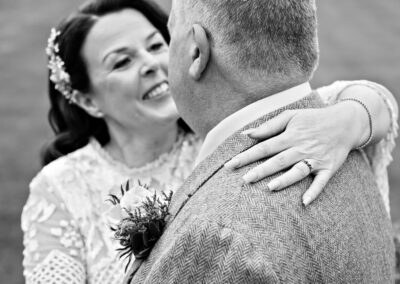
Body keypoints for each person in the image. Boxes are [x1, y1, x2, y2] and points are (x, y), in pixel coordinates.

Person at [21, 0, 398, 283]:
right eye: (121, 62)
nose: (152, 64)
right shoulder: (61, 187)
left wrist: (349, 120)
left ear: (193, 52)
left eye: (156, 46)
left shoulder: (287, 134)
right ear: (86, 100)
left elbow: (370, 97)